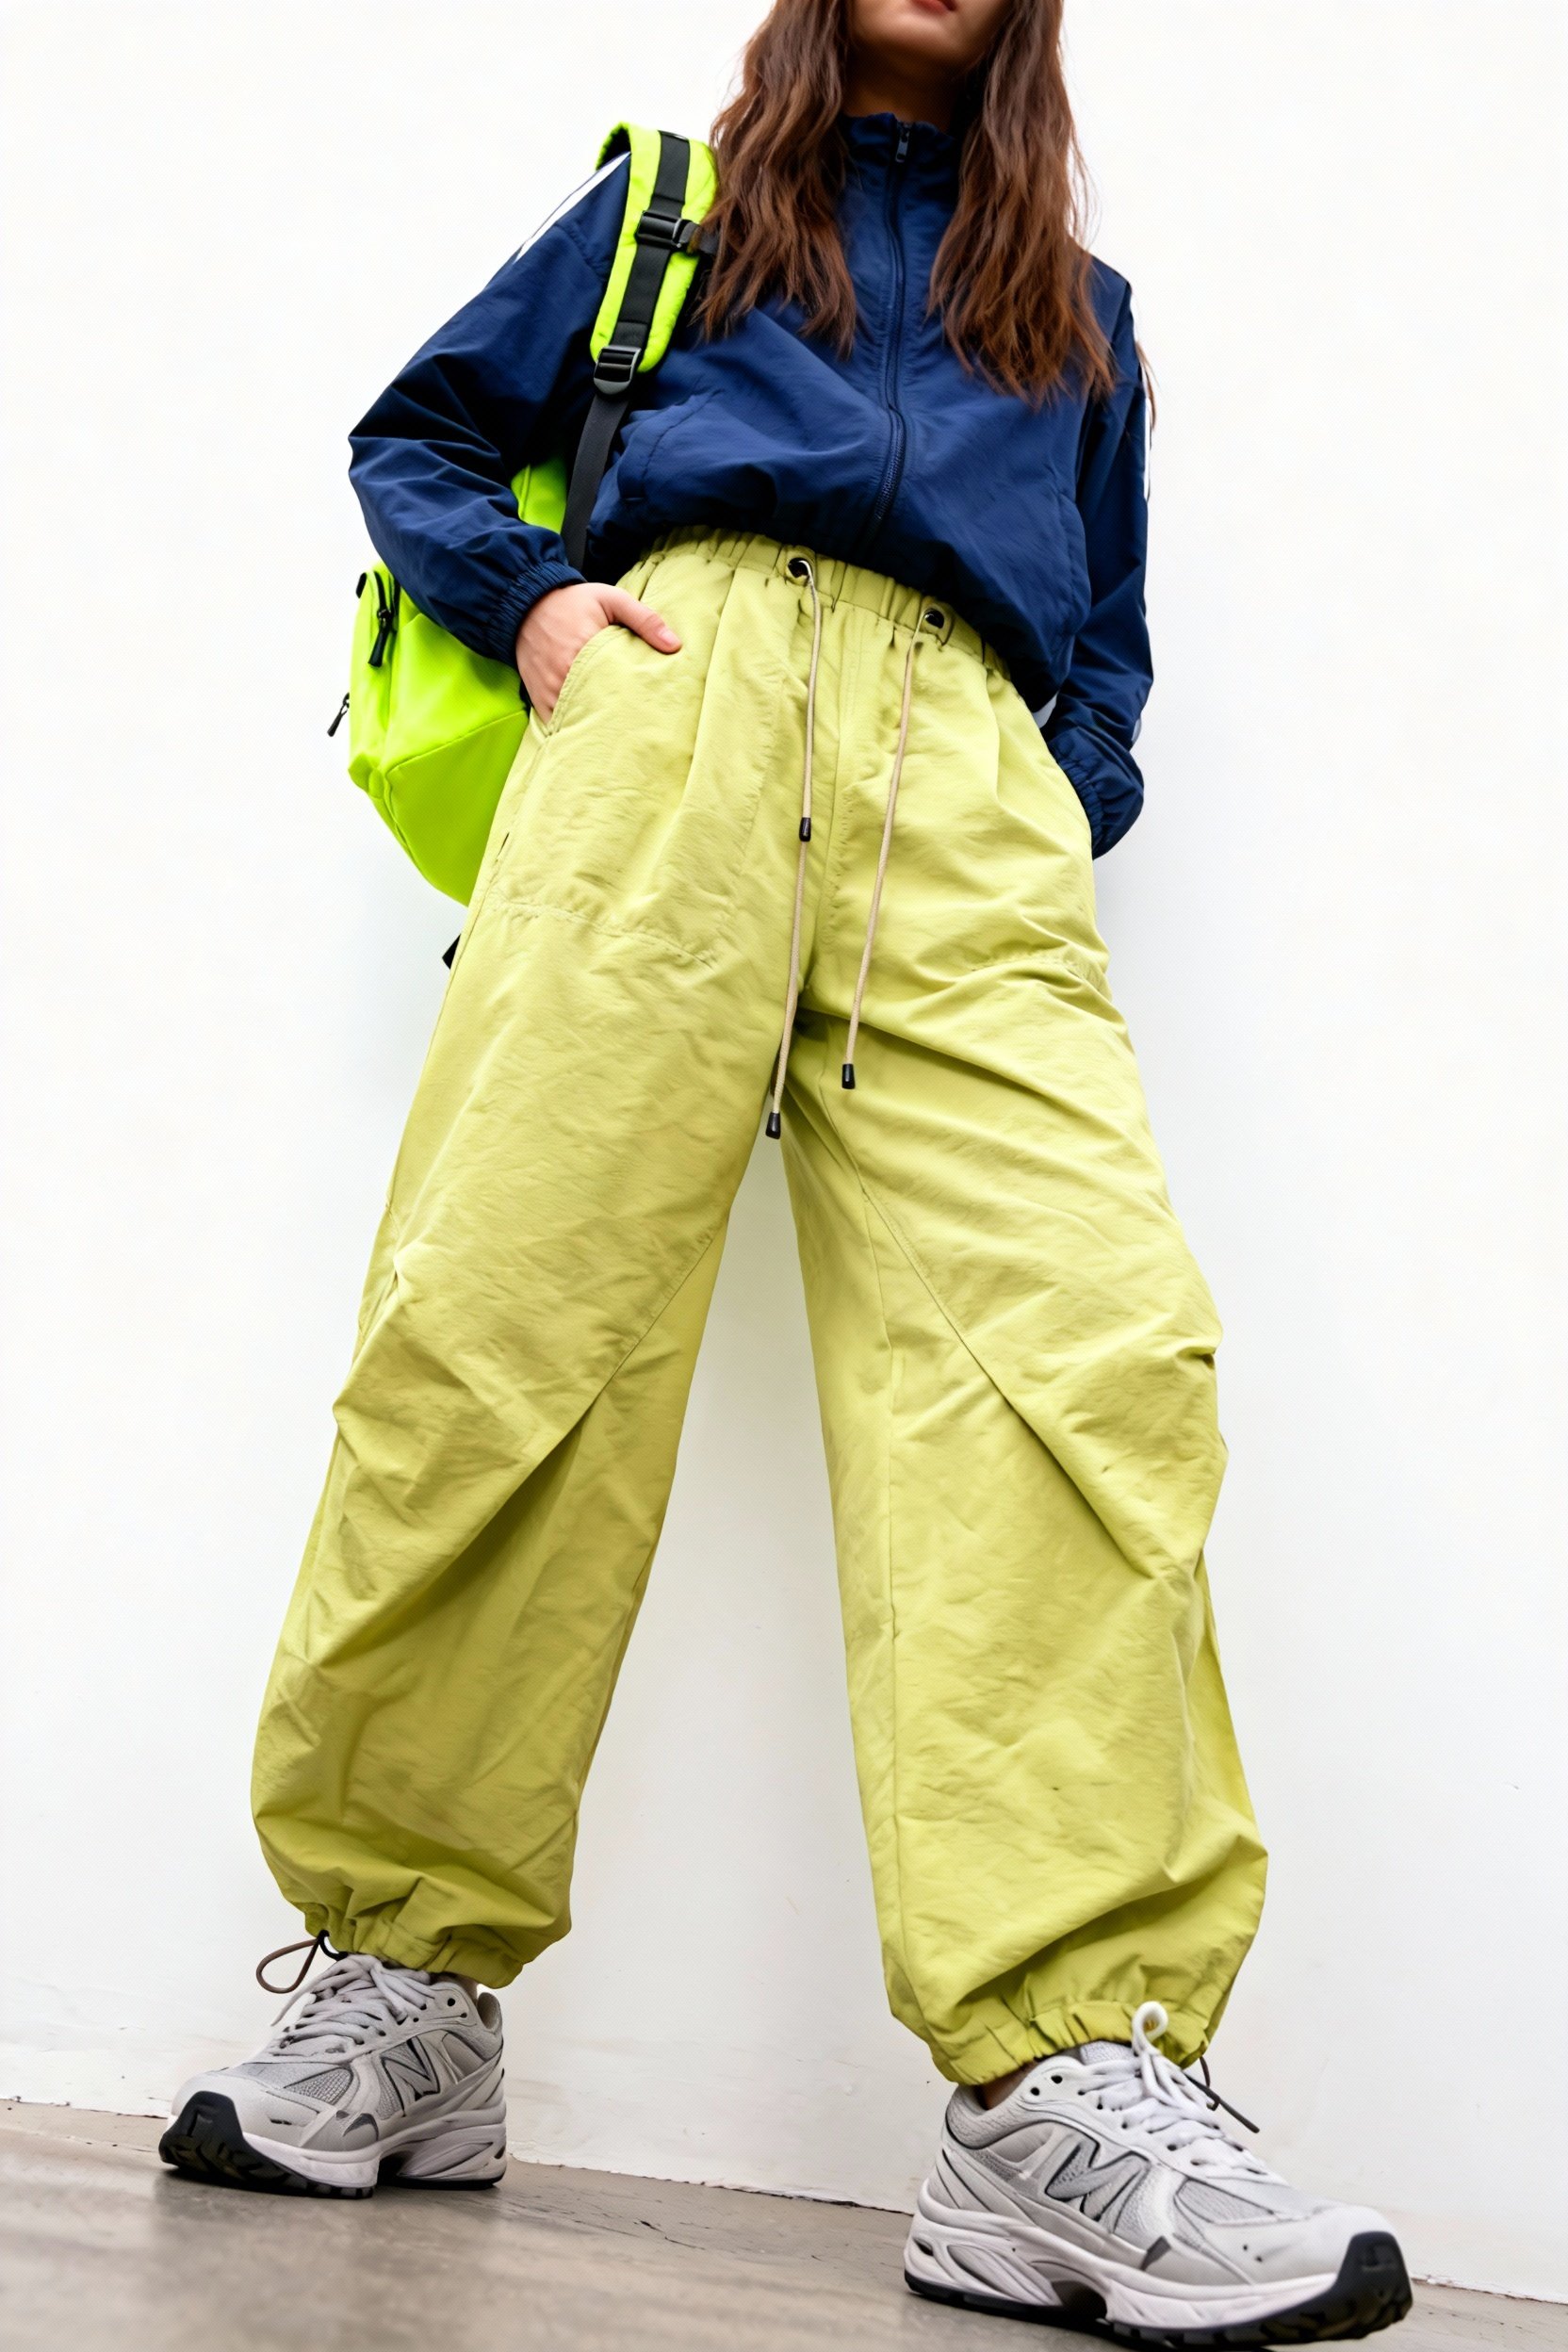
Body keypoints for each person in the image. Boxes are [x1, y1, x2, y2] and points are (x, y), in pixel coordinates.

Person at [161, 0, 1413, 2338]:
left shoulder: (1082, 320)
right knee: (499, 1329)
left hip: (964, 792)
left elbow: (1109, 652)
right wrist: (538, 607)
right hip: (666, 728)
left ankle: (1058, 2083)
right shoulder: (672, 213)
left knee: (1079, 1365)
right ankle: (403, 1989)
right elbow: (419, 432)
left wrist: (1039, 798)